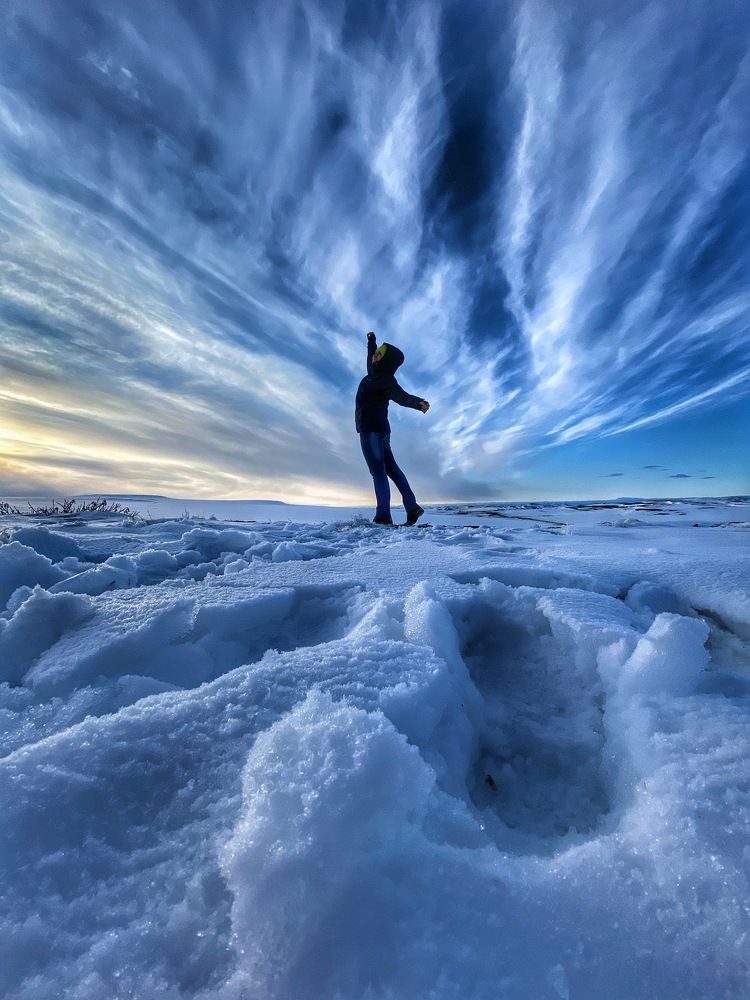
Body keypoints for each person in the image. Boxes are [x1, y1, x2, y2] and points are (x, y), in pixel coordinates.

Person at [355, 331, 430, 526]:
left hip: (372, 431)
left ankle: (383, 516)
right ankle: (412, 507)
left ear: (385, 361)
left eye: (379, 354)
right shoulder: (374, 374)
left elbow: (401, 396)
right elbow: (371, 357)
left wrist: (418, 402)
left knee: (378, 473)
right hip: (381, 432)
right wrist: (372, 342)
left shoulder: (386, 380)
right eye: (376, 353)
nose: (374, 356)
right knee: (392, 470)